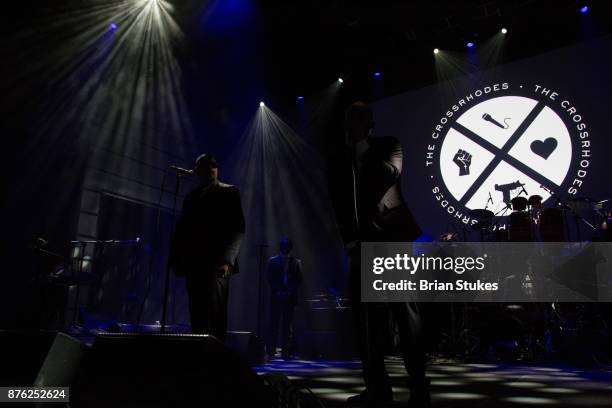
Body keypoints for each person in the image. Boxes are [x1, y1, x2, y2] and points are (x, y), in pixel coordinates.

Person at [328, 102, 429, 407]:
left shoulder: (388, 145)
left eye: (357, 119)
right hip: (360, 245)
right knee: (366, 322)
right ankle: (376, 388)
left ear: (369, 123)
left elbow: (389, 174)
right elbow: (339, 203)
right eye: (348, 119)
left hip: (392, 241)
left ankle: (419, 389)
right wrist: (348, 241)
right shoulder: (339, 159)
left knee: (404, 314)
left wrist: (362, 147)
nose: (351, 123)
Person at [169, 154, 245, 342]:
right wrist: (177, 259)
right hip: (194, 263)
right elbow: (182, 230)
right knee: (196, 312)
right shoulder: (191, 197)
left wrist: (227, 260)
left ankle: (217, 359)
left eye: (214, 165)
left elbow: (237, 228)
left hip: (218, 263)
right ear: (198, 171)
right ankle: (199, 356)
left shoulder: (229, 192)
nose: (211, 168)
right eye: (206, 166)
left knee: (216, 313)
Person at [266, 238, 302, 360]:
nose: (285, 247)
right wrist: (278, 291)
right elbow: (269, 279)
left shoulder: (296, 262)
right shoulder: (272, 261)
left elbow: (298, 280)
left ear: (290, 247)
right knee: (274, 325)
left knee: (287, 327)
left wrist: (288, 292)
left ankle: (285, 352)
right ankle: (271, 352)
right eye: (283, 245)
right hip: (276, 297)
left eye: (287, 245)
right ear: (280, 247)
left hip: (289, 298)